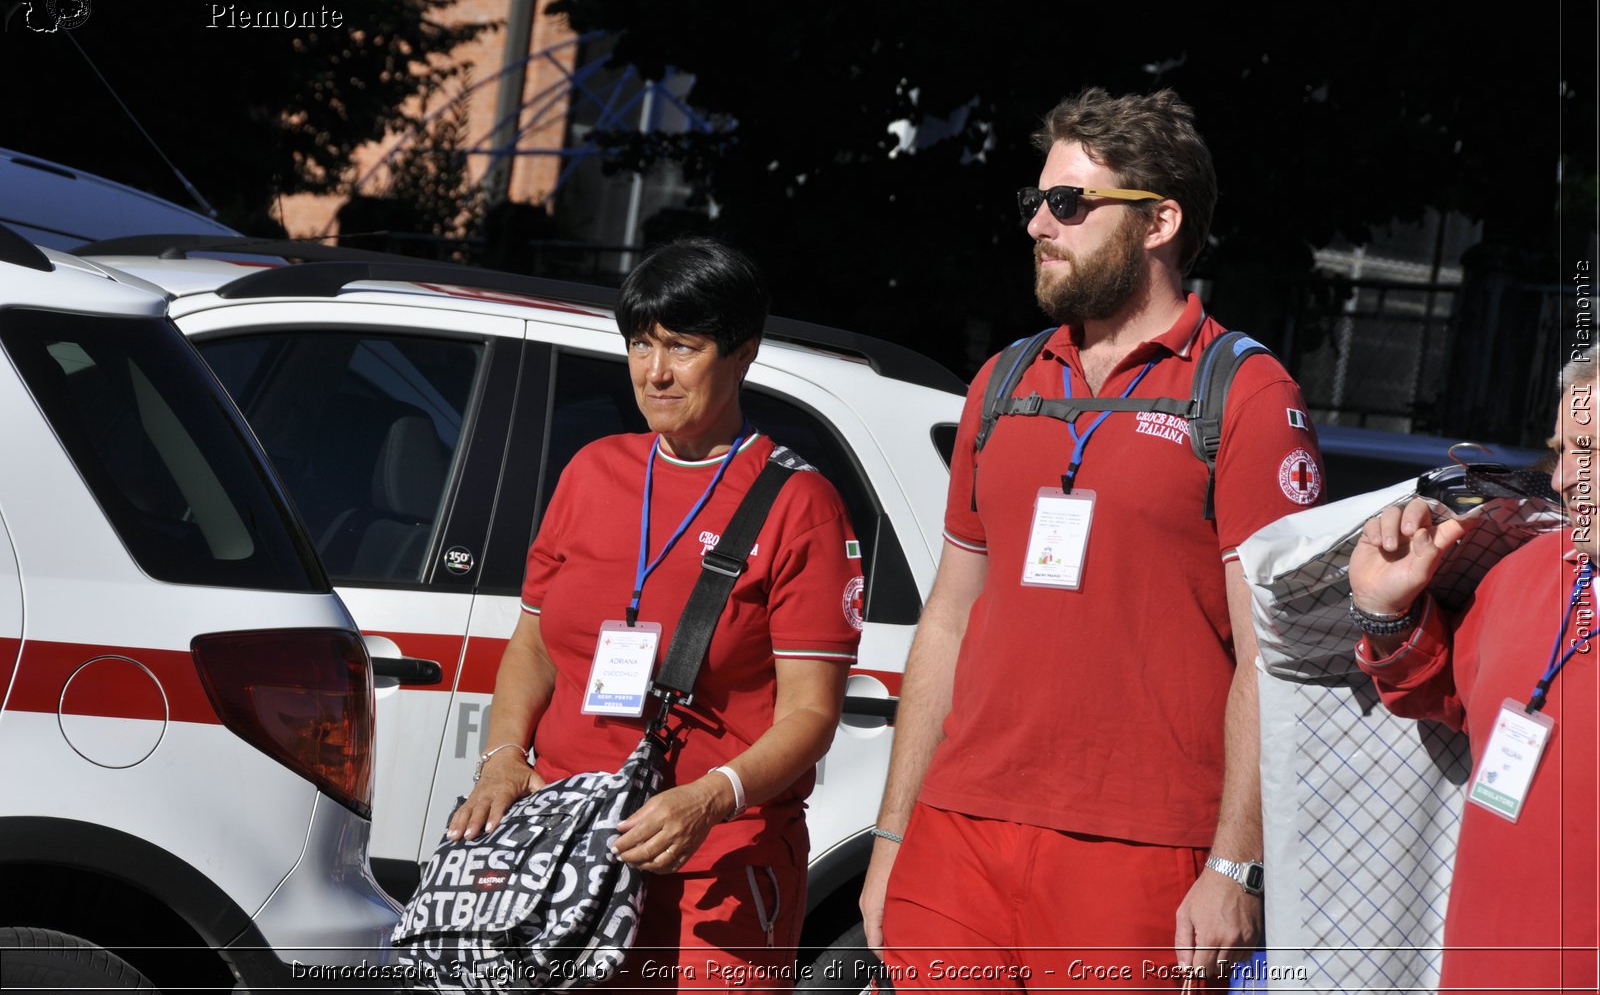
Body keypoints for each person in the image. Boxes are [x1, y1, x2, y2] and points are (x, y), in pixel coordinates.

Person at [861, 87, 1324, 989]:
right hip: (957, 836)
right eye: (1035, 200)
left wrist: (1234, 867)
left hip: (1143, 847)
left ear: (1160, 221)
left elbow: (1276, 653)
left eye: (1068, 203)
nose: (1039, 223)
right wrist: (892, 834)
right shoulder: (1002, 380)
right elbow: (948, 622)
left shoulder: (1249, 395)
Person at [447, 237, 863, 990]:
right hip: (563, 851)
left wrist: (712, 796)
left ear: (742, 353)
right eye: (641, 343)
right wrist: (503, 755)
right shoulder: (591, 470)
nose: (655, 371)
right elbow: (534, 645)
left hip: (715, 861)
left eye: (682, 345)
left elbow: (811, 713)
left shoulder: (800, 503)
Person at [1348, 357, 1597, 994]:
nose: (1564, 478)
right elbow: (1445, 693)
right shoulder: (1534, 568)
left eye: (1588, 449)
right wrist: (1385, 613)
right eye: (1560, 450)